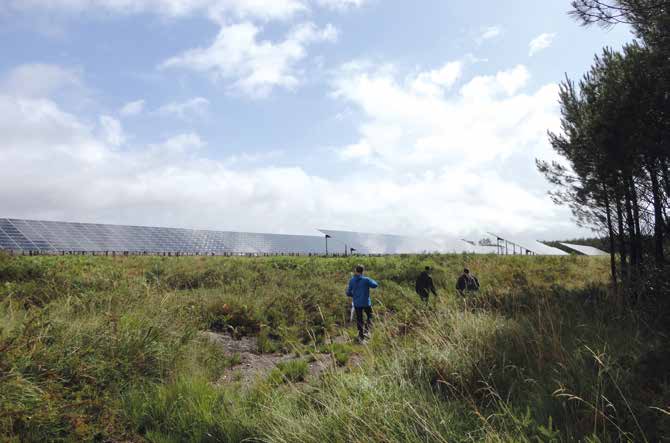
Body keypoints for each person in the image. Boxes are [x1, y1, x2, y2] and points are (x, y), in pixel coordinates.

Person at [346, 264, 379, 341]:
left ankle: (361, 336)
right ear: (362, 271)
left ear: (356, 271)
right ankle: (367, 331)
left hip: (357, 303)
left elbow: (348, 293)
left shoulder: (352, 280)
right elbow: (375, 285)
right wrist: (370, 279)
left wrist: (354, 295)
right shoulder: (366, 280)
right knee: (370, 316)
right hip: (366, 302)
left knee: (359, 319)